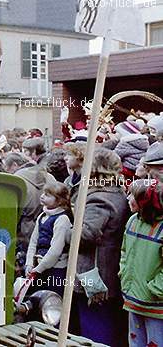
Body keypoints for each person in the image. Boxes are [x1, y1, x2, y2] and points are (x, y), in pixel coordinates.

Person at [74, 148, 129, 347]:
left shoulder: (100, 198)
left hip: (94, 274)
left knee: (94, 330)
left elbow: (85, 234)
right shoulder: (119, 193)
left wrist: (67, 230)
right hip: (111, 270)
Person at [120, 179, 163, 347]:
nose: (127, 198)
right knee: (135, 342)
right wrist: (124, 274)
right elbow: (124, 251)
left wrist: (154, 289)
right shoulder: (132, 221)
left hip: (155, 305)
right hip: (133, 299)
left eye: (133, 195)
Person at [25, 182, 73, 297]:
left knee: (53, 299)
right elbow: (33, 242)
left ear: (59, 201)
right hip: (39, 267)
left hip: (55, 269)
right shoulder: (42, 216)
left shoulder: (62, 219)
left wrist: (39, 269)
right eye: (43, 193)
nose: (42, 196)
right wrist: (29, 263)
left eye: (47, 195)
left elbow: (55, 250)